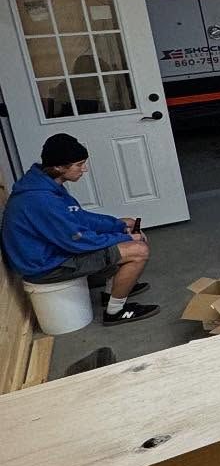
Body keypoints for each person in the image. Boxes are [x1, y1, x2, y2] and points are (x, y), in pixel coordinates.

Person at [1, 133, 156, 325]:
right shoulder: (41, 200)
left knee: (124, 234)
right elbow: (79, 240)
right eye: (79, 164)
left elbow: (79, 217)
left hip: (51, 254)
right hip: (46, 266)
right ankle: (116, 311)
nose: (85, 169)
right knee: (138, 251)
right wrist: (125, 238)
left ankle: (112, 292)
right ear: (59, 166)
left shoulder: (46, 184)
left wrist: (120, 224)